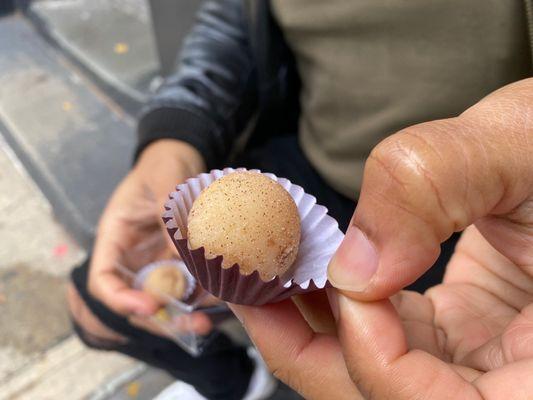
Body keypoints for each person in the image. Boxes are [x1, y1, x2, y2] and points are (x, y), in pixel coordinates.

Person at [67, 0, 533, 398]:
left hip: (470, 222)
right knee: (97, 300)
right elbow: (235, 19)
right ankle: (234, 381)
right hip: (309, 161)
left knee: (370, 357)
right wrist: (176, 134)